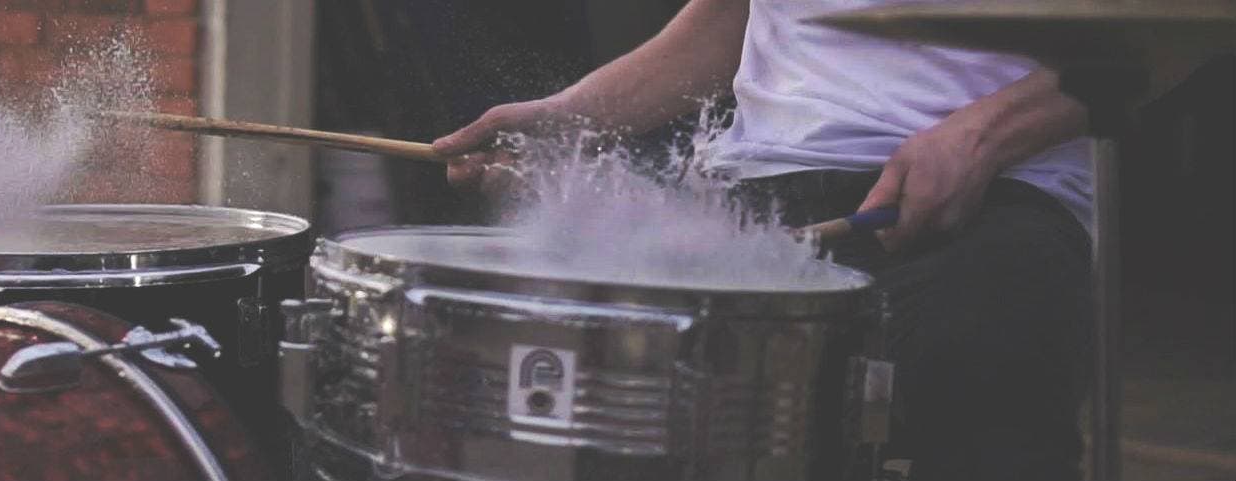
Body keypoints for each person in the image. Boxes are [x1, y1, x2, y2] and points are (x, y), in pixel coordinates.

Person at [431, 0, 1201, 478]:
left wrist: (981, 135)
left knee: (981, 380)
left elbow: (1179, 24)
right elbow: (726, 18)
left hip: (998, 188)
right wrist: (567, 119)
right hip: (758, 182)